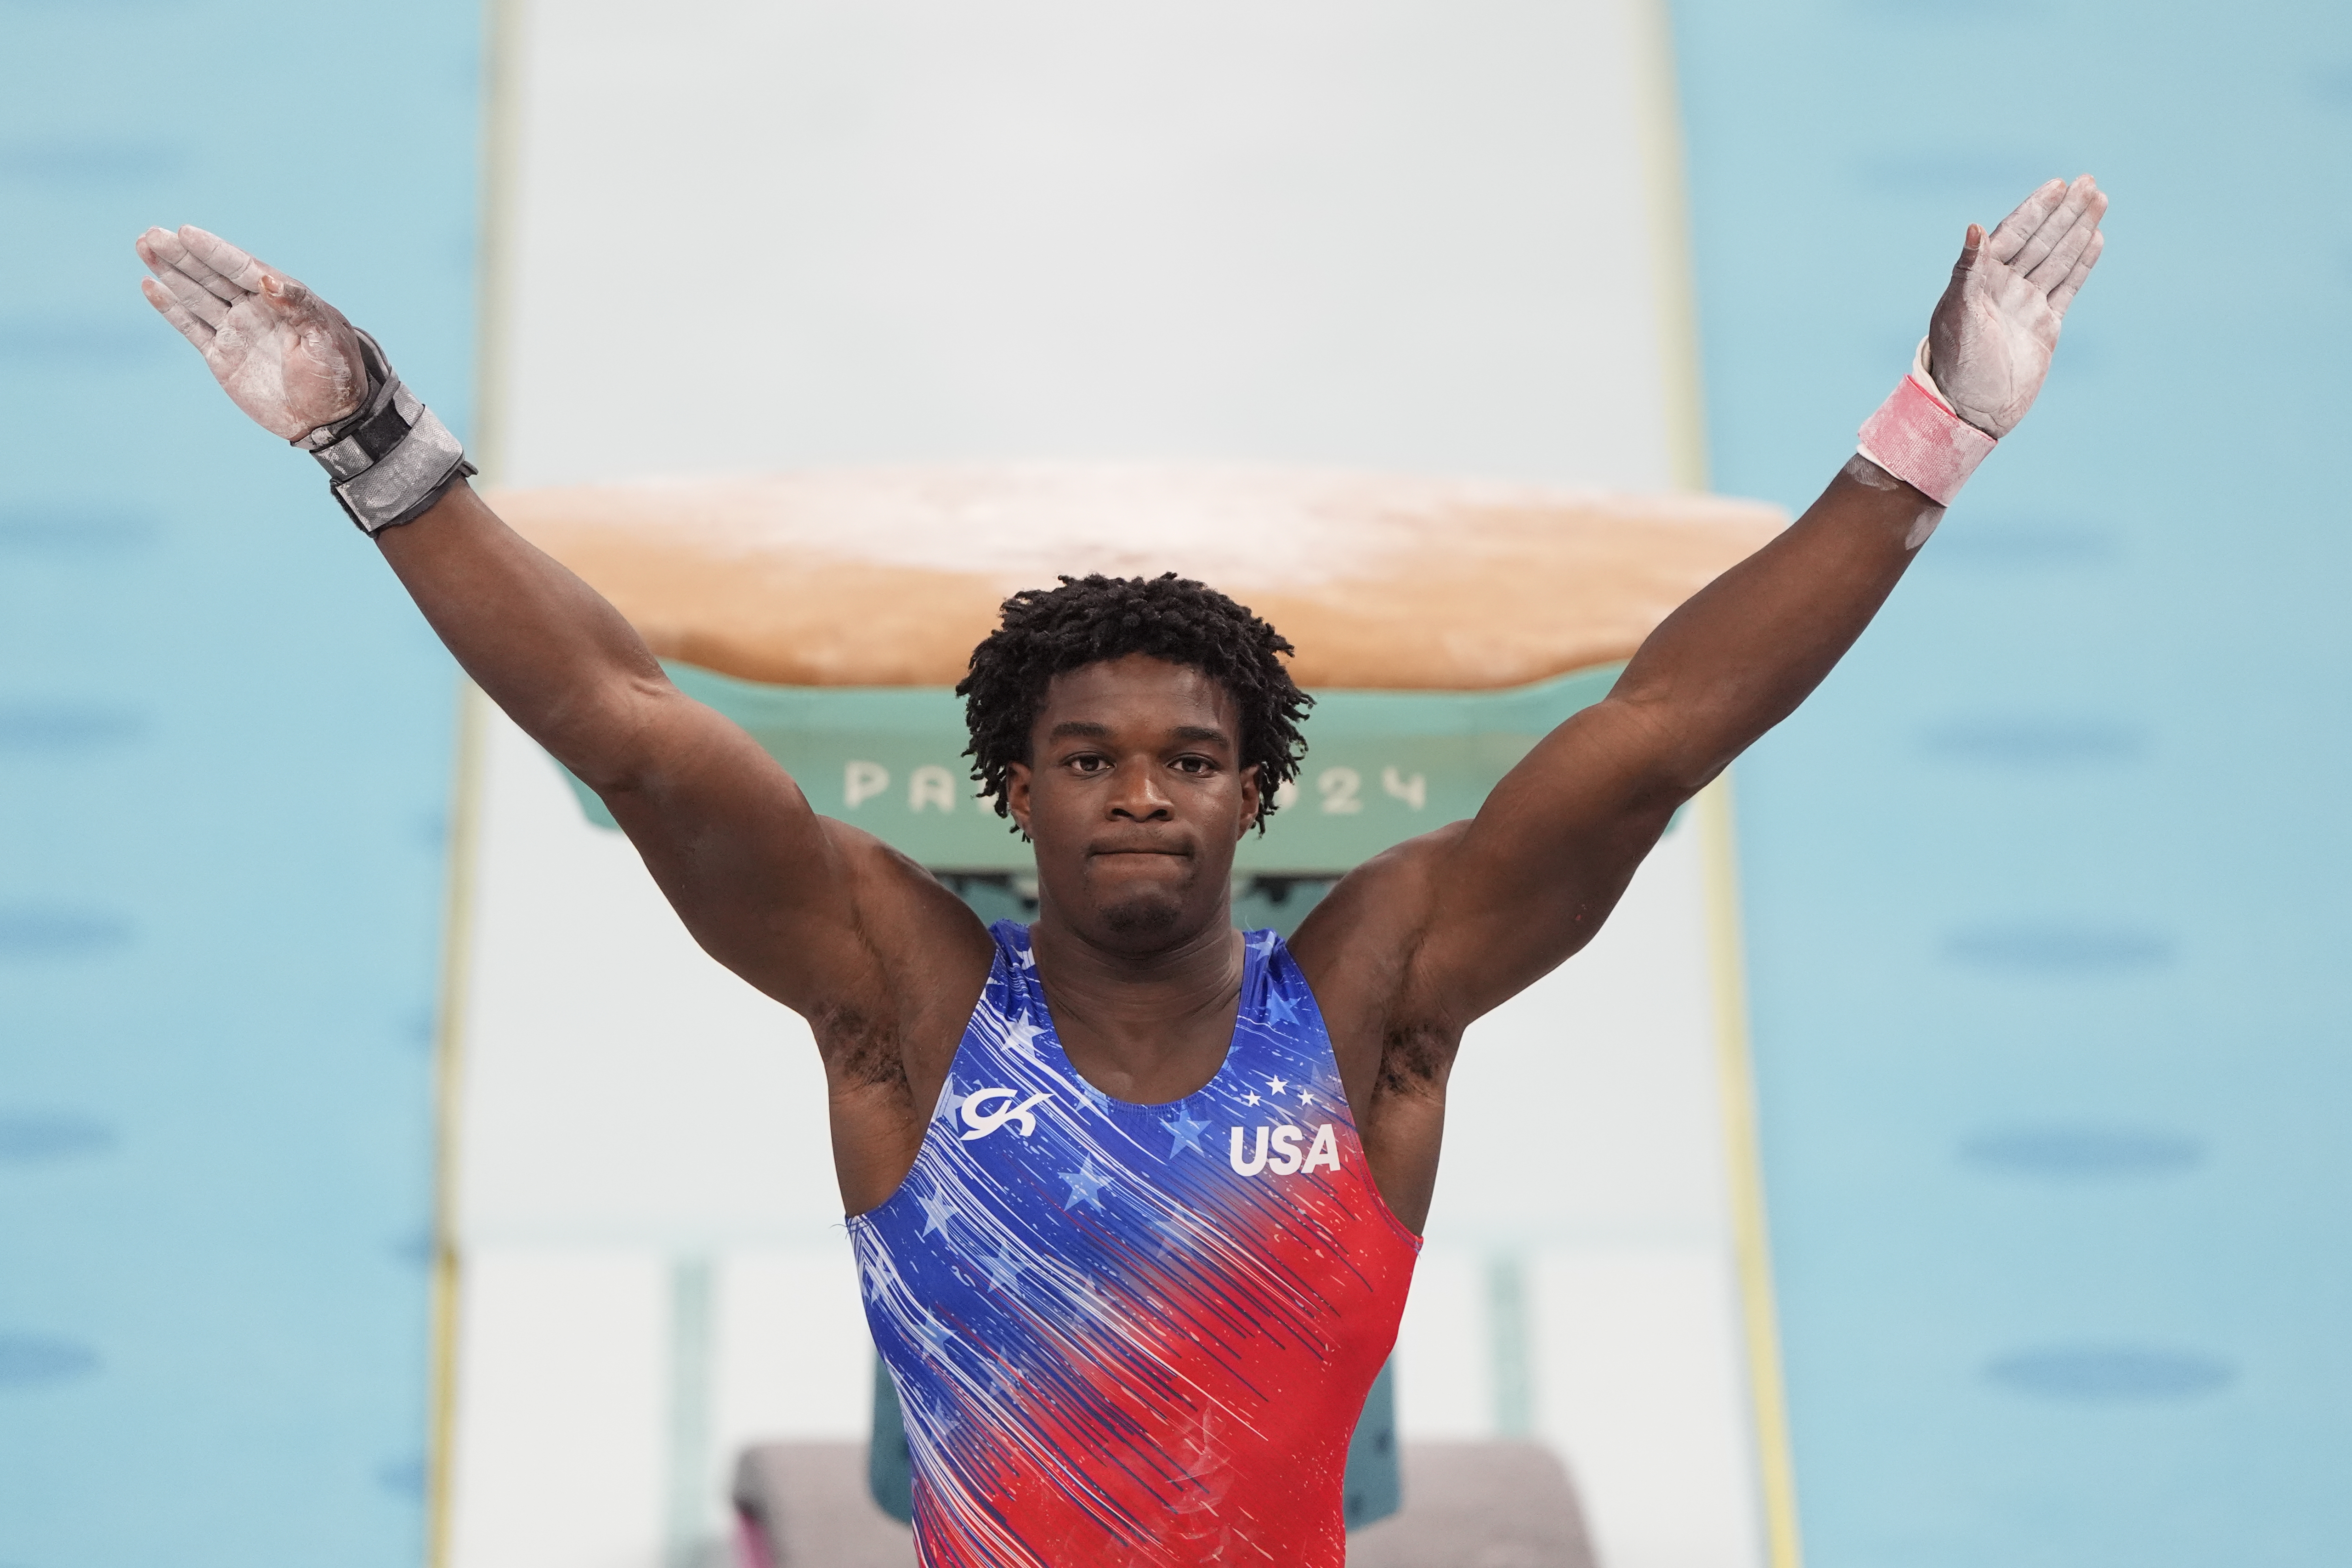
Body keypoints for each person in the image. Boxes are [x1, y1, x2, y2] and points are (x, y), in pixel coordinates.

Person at [135, 173, 2105, 1568]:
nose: (1140, 794)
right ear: (1009, 787)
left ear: (1261, 789)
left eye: (1187, 758)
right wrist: (379, 450)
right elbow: (628, 727)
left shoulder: (1372, 1002)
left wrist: (1927, 435)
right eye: (1087, 757)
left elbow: (1658, 728)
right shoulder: (899, 1003)